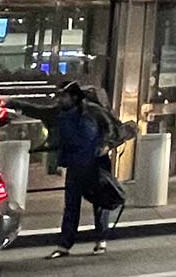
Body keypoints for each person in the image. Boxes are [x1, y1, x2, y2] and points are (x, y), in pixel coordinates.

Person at [43, 84, 127, 258]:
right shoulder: (63, 114)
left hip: (97, 165)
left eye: (63, 96)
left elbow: (116, 130)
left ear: (74, 98)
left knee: (100, 203)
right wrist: (11, 103)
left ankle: (100, 240)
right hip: (76, 166)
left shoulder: (94, 111)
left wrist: (107, 145)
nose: (60, 99)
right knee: (72, 206)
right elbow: (37, 111)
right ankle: (66, 245)